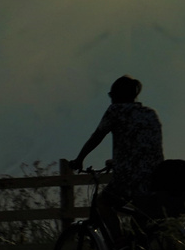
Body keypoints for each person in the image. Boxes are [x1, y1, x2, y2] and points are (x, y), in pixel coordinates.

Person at [70, 75, 165, 237]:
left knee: (103, 202)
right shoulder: (150, 114)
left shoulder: (116, 111)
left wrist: (79, 159)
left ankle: (118, 244)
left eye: (111, 95)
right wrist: (117, 161)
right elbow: (142, 147)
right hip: (155, 178)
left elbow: (97, 136)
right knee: (141, 227)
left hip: (129, 178)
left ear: (117, 95)